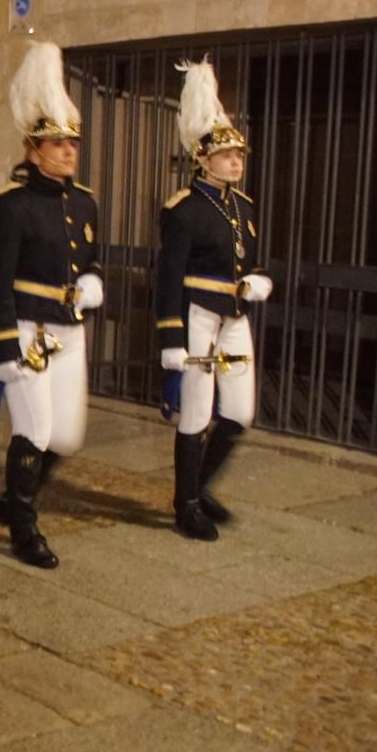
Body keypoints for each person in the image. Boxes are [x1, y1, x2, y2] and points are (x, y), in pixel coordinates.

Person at [0, 42, 105, 570]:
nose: (69, 151)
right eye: (58, 143)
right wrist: (4, 346)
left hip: (70, 331)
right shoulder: (12, 207)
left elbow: (92, 260)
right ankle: (24, 528)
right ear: (34, 151)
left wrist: (94, 283)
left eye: (72, 143)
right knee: (33, 430)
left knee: (66, 436)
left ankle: (14, 498)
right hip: (29, 332)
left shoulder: (85, 203)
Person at [157, 60, 271, 542]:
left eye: (238, 153)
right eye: (226, 154)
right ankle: (185, 504)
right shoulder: (183, 209)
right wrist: (171, 337)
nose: (236, 161)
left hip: (236, 317)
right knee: (197, 414)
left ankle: (198, 486)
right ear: (203, 158)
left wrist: (258, 281)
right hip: (199, 316)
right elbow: (168, 276)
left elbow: (248, 260)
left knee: (240, 413)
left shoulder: (243, 207)